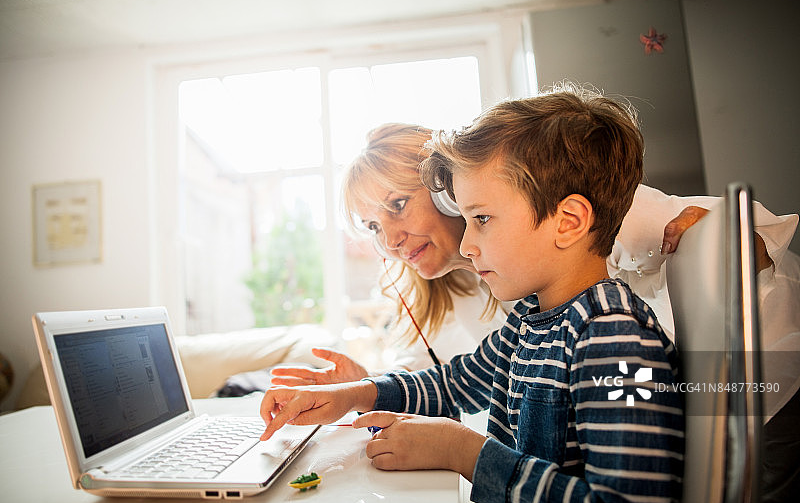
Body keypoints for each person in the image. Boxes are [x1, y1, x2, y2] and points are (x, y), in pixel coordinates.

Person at [259, 84, 684, 503]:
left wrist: (464, 452)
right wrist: (353, 394)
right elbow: (454, 383)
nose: (466, 243)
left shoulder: (614, 339)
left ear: (569, 222)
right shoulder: (529, 323)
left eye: (481, 219)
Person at [269, 123, 800, 424]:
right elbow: (459, 380)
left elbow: (738, 235)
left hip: (768, 368)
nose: (387, 238)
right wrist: (361, 387)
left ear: (446, 190)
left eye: (398, 205)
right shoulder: (472, 288)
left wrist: (727, 240)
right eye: (371, 225)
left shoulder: (568, 222)